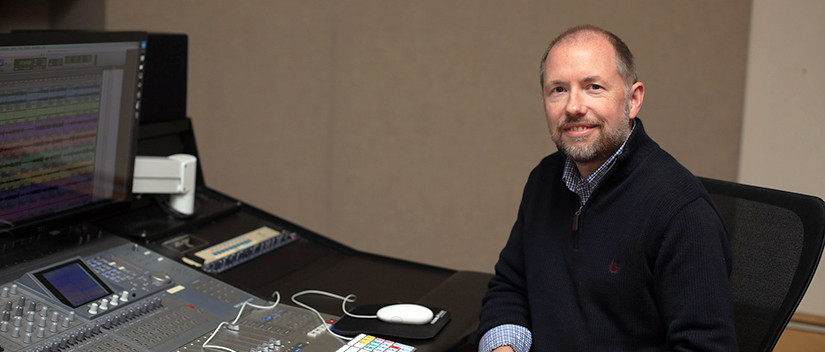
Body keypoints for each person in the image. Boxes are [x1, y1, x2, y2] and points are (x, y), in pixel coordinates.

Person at [475, 25, 738, 351]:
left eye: (593, 87)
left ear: (633, 99)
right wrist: (504, 348)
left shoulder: (681, 212)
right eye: (558, 89)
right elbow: (511, 287)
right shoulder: (544, 179)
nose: (573, 106)